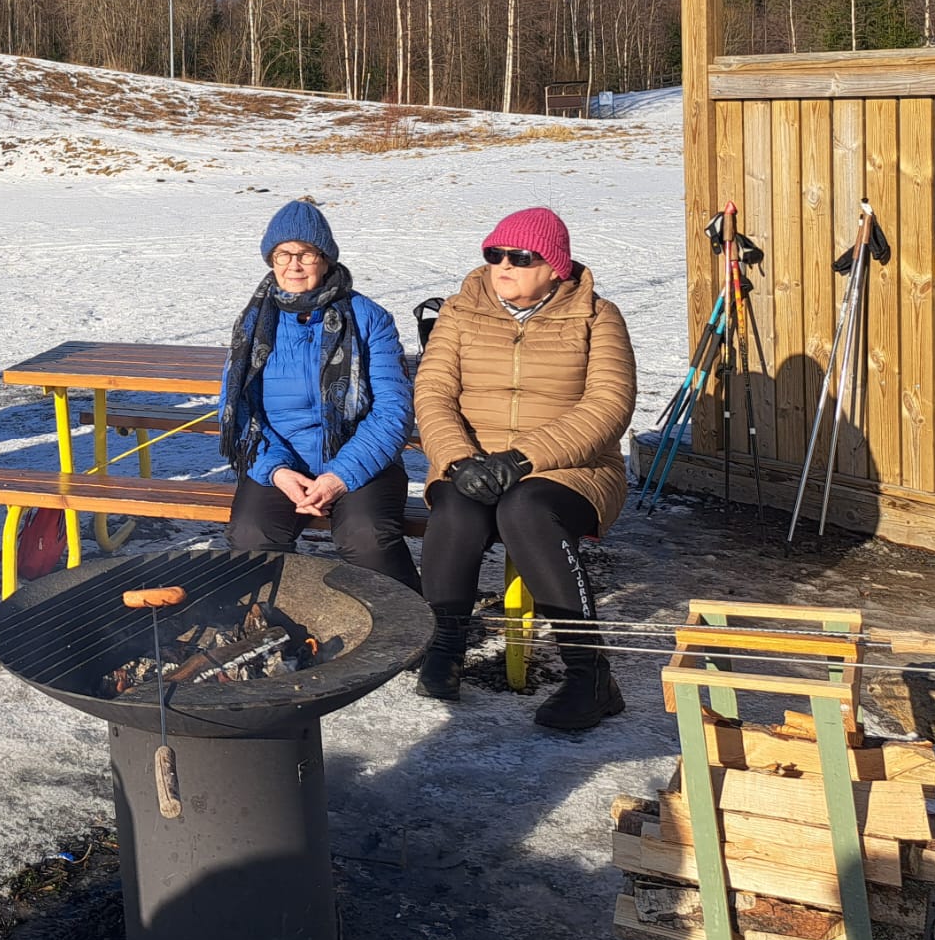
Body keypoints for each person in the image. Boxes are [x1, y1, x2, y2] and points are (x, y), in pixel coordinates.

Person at [412, 206, 637, 730]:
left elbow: (609, 405)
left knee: (527, 508)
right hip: (472, 460)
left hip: (570, 469)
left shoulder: (598, 317)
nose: (503, 265)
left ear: (555, 267)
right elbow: (433, 392)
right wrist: (457, 460)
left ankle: (589, 675)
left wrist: (523, 459)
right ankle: (444, 649)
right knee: (456, 508)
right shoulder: (458, 312)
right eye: (494, 255)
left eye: (520, 257)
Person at [217, 200, 420, 589]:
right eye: (282, 254)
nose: (293, 265)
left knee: (365, 537)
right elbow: (240, 409)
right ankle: (266, 625)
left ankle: (411, 630)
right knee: (250, 534)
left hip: (359, 456)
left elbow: (393, 410)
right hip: (282, 460)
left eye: (305, 253)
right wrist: (276, 470)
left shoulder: (368, 317)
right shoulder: (253, 322)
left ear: (324, 258)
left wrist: (340, 475)